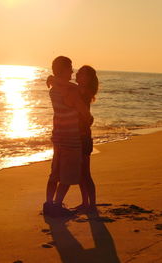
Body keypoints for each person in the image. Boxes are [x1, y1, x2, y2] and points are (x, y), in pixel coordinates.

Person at [43, 56, 93, 217]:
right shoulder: (72, 92)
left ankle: (49, 204)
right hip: (71, 139)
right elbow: (86, 114)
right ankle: (57, 205)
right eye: (70, 68)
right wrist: (88, 119)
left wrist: (55, 80)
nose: (72, 71)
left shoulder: (53, 90)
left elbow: (69, 87)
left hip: (57, 136)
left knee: (55, 173)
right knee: (68, 175)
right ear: (64, 70)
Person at [74, 65, 99, 212]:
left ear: (87, 78)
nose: (77, 74)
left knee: (85, 173)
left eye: (81, 73)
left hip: (83, 137)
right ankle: (86, 203)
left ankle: (92, 204)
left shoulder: (83, 91)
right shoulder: (79, 90)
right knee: (81, 173)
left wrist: (54, 79)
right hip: (80, 135)